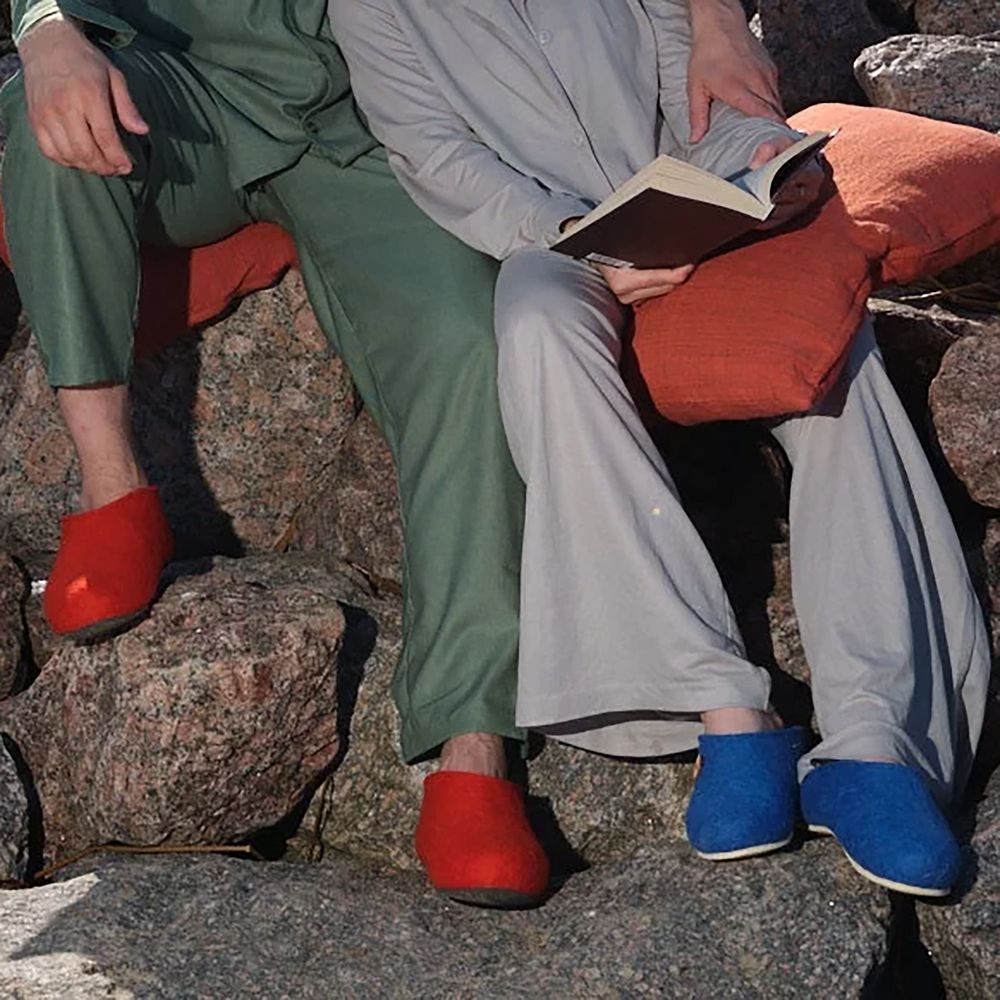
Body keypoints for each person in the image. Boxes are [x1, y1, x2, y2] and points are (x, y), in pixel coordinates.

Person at [1, 0, 782, 906]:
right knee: (49, 126)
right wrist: (44, 26)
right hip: (181, 87)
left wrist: (717, 15)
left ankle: (473, 747)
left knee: (471, 343)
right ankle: (113, 492)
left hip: (372, 110)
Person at [329, 0, 991, 897]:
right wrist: (577, 239)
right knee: (535, 323)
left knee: (837, 345)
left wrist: (758, 166)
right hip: (556, 242)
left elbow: (703, 83)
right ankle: (727, 711)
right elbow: (436, 154)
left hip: (704, 207)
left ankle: (878, 745)